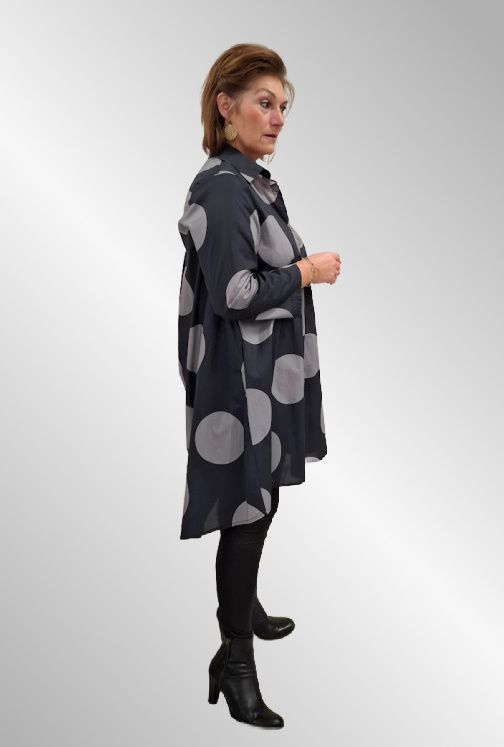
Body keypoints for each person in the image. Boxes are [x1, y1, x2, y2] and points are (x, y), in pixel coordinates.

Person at [177, 43, 341, 728]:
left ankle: (241, 606)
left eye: (282, 106)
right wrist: (308, 272)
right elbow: (235, 293)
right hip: (236, 380)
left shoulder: (254, 180)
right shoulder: (222, 187)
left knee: (263, 496)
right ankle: (234, 660)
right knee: (246, 510)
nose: (277, 118)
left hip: (262, 375)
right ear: (226, 106)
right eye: (263, 103)